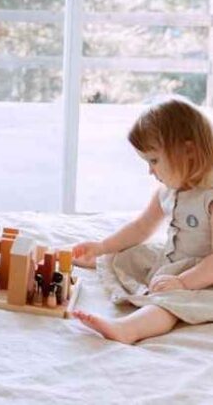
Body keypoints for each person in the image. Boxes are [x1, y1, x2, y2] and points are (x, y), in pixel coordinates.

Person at [72, 97, 213, 344]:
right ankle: (115, 267)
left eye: (154, 161)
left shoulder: (209, 197)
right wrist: (103, 247)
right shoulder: (169, 190)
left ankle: (129, 329)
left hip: (204, 276)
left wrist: (183, 282)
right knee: (124, 255)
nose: (150, 171)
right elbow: (141, 227)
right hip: (174, 262)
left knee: (170, 303)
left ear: (189, 151)